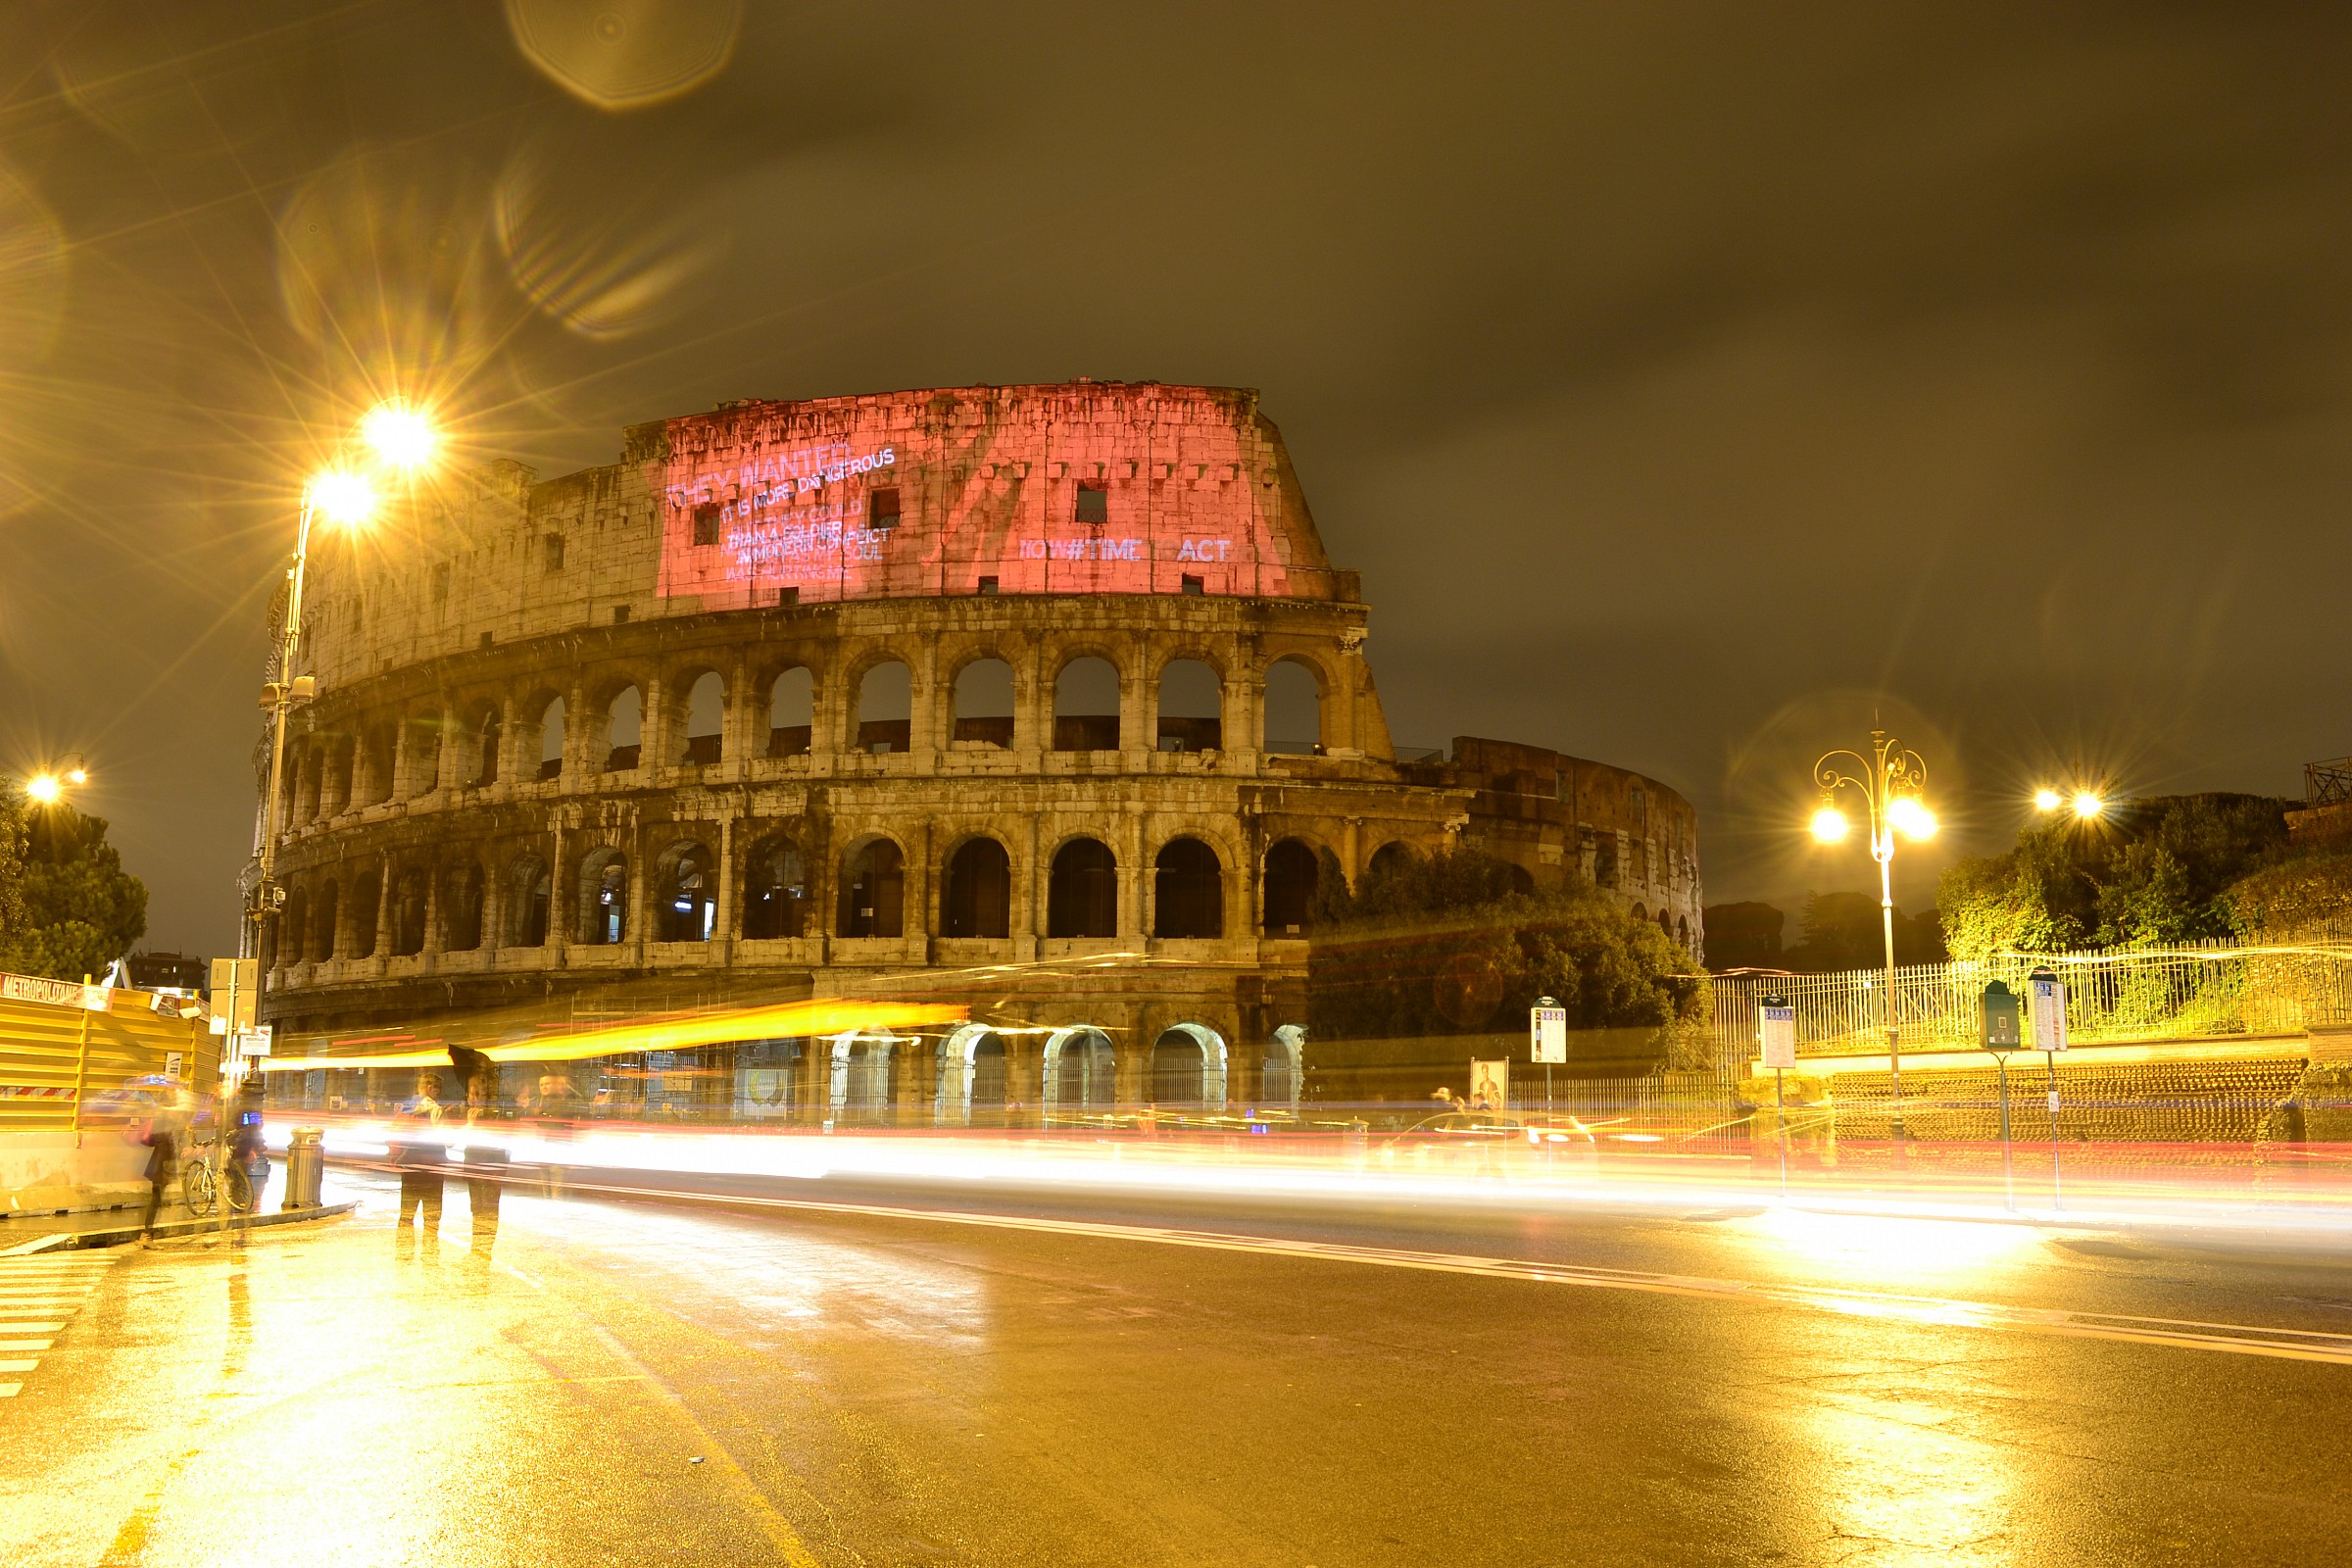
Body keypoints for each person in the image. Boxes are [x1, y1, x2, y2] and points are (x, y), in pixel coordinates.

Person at [390, 1071, 447, 1252]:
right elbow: (447, 1140)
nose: (439, 1094)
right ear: (430, 1088)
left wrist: (396, 1158)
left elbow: (393, 1136)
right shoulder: (436, 1110)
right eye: (438, 1090)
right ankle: (430, 1255)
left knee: (406, 1215)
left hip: (409, 1168)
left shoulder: (404, 1109)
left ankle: (403, 1254)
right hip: (433, 1169)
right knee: (432, 1217)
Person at [137, 1084, 194, 1248]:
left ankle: (147, 1235)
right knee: (156, 1200)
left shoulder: (162, 1117)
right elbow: (165, 1141)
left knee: (157, 1199)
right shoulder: (166, 1119)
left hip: (160, 1162)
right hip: (161, 1163)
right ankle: (146, 1236)